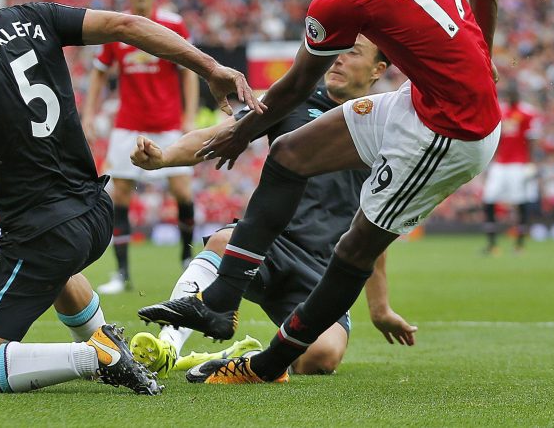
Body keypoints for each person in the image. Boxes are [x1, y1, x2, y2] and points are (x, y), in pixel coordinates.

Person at [138, 0, 501, 384]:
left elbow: (294, 83)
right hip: (420, 102)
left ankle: (263, 367)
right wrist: (482, 56)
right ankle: (219, 303)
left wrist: (240, 134)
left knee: (355, 248)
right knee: (288, 153)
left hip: (451, 130)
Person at [0, 0, 256, 395]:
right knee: (59, 276)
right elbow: (127, 24)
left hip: (43, 232)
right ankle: (108, 343)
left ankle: (96, 355)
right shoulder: (34, 16)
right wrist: (209, 68)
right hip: (94, 213)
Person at [130, 36, 416, 379]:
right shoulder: (292, 99)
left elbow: (377, 221)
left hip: (325, 268)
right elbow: (219, 134)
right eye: (335, 52)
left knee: (319, 359)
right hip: (268, 247)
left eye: (352, 53)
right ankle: (167, 347)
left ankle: (239, 356)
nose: (337, 60)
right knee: (223, 242)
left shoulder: (384, 125)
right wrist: (165, 157)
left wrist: (379, 306)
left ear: (378, 70)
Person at [81, 0, 200, 294]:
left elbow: (189, 70)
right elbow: (99, 73)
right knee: (119, 196)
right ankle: (121, 274)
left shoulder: (173, 25)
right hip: (128, 126)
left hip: (168, 125)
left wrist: (189, 115)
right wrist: (89, 113)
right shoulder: (117, 25)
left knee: (183, 194)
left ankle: (186, 262)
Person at [482, 81, 541, 254]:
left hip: (518, 164)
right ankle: (492, 244)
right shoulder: (501, 111)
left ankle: (519, 244)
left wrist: (531, 161)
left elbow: (532, 139)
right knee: (489, 199)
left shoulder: (528, 113)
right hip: (501, 164)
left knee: (520, 201)